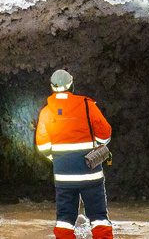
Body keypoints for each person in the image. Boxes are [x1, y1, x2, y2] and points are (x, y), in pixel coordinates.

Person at [35, 69, 113, 239]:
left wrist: (57, 158)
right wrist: (97, 146)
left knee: (64, 220)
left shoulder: (46, 112)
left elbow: (42, 144)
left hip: (64, 176)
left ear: (52, 87)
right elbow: (105, 134)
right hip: (90, 173)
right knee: (99, 217)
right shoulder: (87, 105)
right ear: (71, 85)